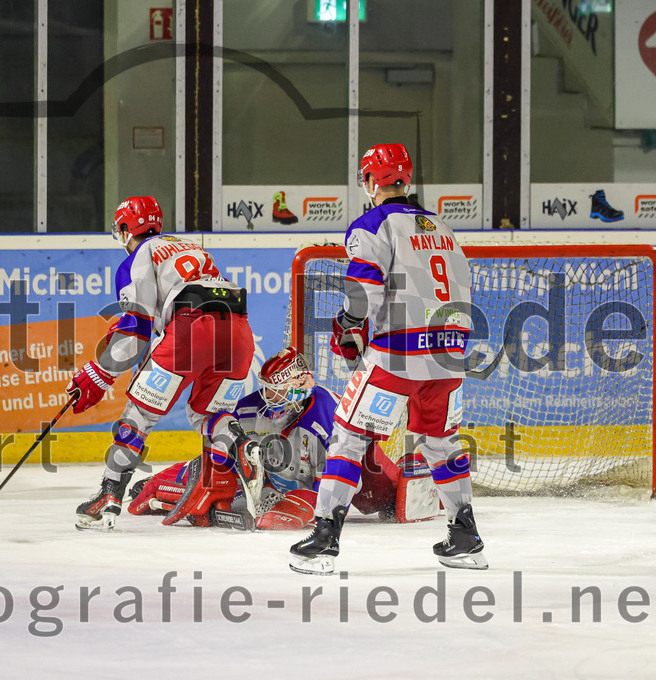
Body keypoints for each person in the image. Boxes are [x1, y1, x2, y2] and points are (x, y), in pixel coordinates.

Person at [289, 143, 487, 574]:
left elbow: (363, 288)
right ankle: (466, 534)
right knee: (441, 442)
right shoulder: (442, 227)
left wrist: (348, 322)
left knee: (348, 435)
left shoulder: (372, 223)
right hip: (450, 353)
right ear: (406, 179)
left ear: (370, 182)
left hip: (398, 354)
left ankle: (325, 536)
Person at [69, 196, 264, 531]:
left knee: (139, 415)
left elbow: (137, 328)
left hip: (191, 330)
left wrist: (97, 375)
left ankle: (110, 495)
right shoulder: (189, 246)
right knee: (209, 414)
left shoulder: (137, 257)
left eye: (121, 229)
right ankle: (241, 448)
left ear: (127, 228)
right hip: (239, 331)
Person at [127, 347, 439, 530]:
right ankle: (162, 487)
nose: (267, 396)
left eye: (275, 390)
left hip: (364, 484)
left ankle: (418, 474)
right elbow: (224, 444)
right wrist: (204, 472)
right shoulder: (253, 406)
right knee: (206, 482)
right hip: (289, 479)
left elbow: (342, 480)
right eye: (265, 388)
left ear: (298, 387)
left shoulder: (330, 414)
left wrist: (304, 505)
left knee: (384, 501)